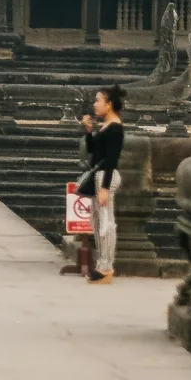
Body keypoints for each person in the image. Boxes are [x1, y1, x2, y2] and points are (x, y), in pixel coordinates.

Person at [77, 86, 125, 283]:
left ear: (109, 104)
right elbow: (92, 151)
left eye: (98, 101)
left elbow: (112, 160)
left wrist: (105, 188)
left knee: (106, 223)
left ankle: (107, 267)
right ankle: (102, 263)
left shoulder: (115, 128)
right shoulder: (105, 126)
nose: (95, 104)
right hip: (99, 174)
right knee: (97, 222)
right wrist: (89, 130)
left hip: (106, 176)